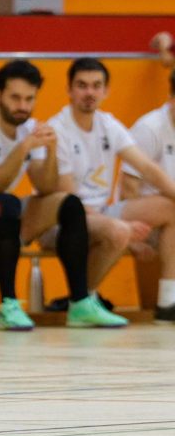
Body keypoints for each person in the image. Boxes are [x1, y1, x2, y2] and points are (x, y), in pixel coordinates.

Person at [0, 59, 126, 330]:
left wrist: (52, 150)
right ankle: (8, 305)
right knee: (3, 204)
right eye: (15, 98)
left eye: (29, 99)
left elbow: (46, 188)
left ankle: (80, 302)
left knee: (68, 204)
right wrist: (23, 148)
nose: (22, 106)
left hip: (1, 218)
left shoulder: (30, 127)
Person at [46, 58, 175, 316]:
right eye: (82, 85)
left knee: (170, 207)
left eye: (96, 86)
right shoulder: (57, 130)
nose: (90, 93)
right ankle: (82, 299)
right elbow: (69, 201)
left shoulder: (108, 125)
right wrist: (122, 229)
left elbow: (147, 167)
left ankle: (168, 300)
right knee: (117, 231)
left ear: (106, 91)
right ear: (69, 90)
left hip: (102, 212)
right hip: (62, 220)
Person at [119, 67, 175, 321]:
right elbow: (128, 188)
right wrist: (133, 236)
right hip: (147, 220)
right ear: (171, 98)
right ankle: (168, 300)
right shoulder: (150, 128)